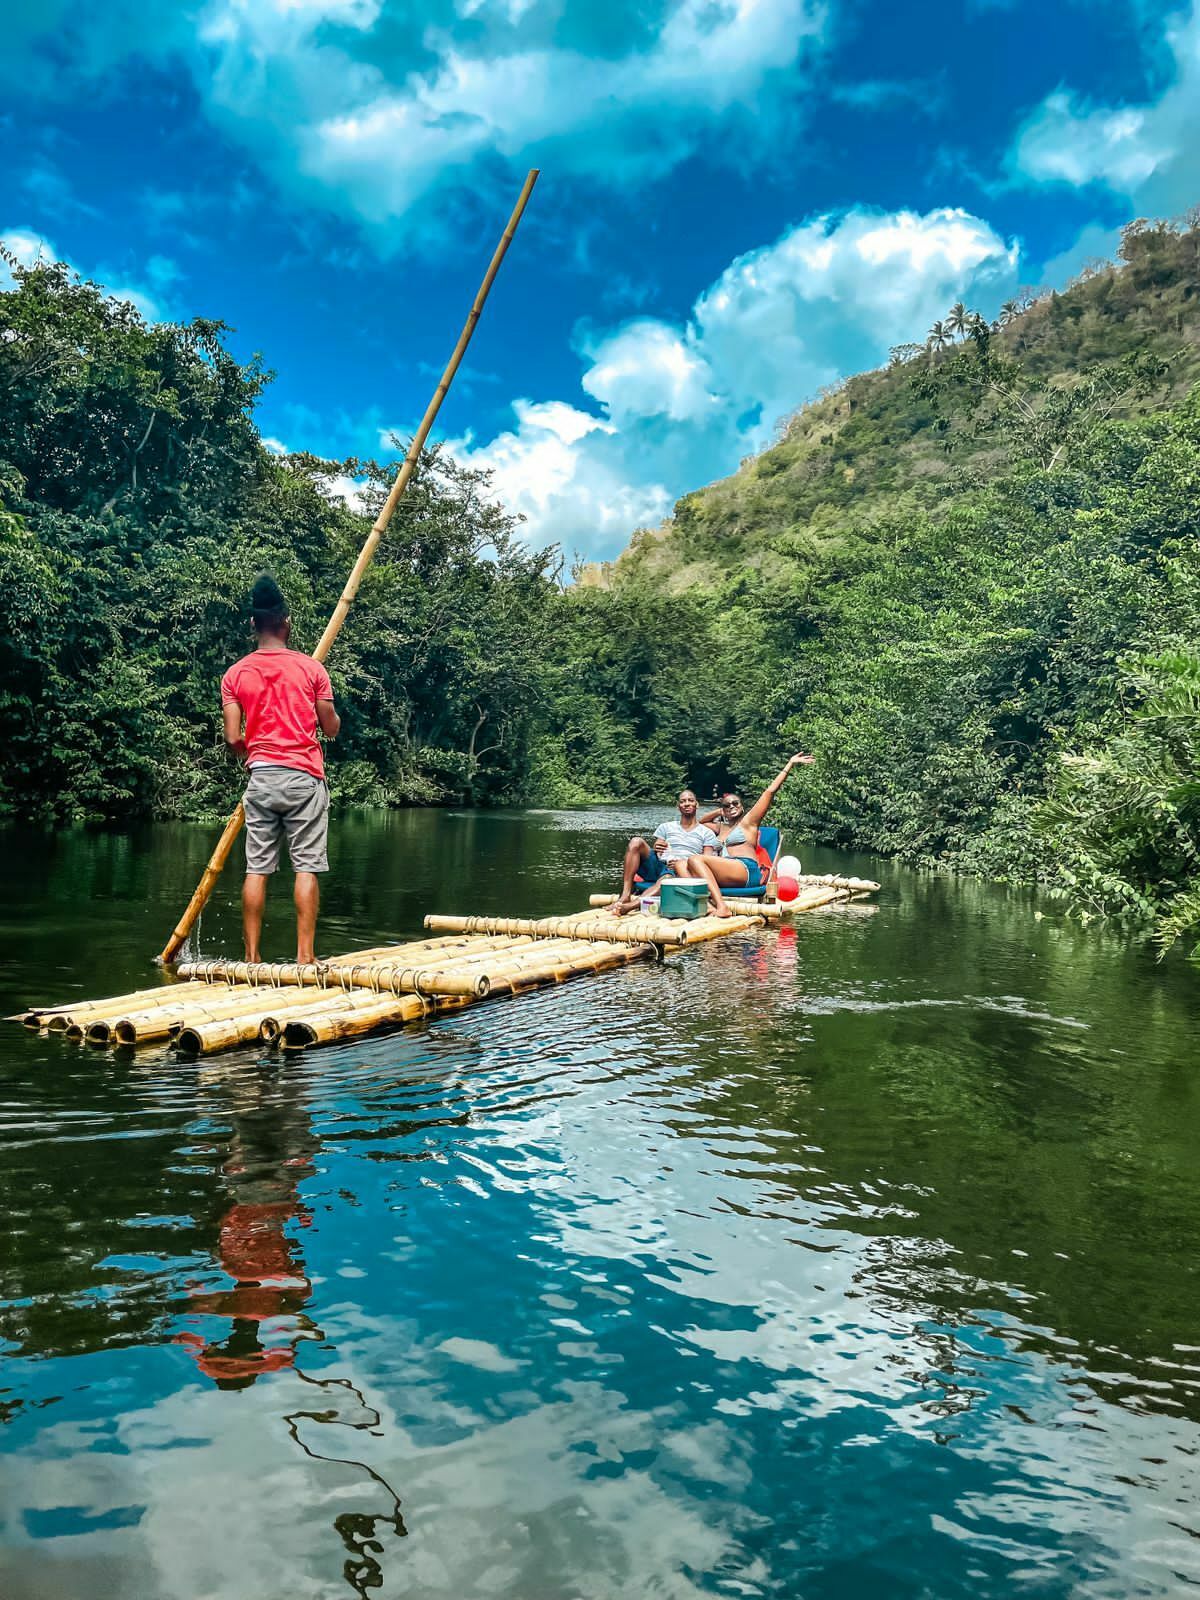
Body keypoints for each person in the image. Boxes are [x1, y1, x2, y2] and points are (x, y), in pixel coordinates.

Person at [221, 574, 341, 964]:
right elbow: (331, 727)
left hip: (262, 779)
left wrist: (249, 753)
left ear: (253, 624)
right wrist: (326, 715)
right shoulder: (311, 670)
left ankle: (252, 958)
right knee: (305, 866)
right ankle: (305, 957)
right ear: (286, 622)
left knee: (257, 868)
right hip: (304, 778)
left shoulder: (235, 675)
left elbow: (233, 738)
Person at [682, 753, 815, 917]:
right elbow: (700, 823)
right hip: (728, 872)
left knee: (695, 859)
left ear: (742, 807)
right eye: (727, 805)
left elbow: (769, 792)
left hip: (746, 869)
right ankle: (708, 906)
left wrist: (790, 764)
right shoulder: (720, 827)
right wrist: (720, 810)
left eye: (735, 803)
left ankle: (721, 907)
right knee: (682, 864)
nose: (731, 806)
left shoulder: (749, 822)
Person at [609, 789, 719, 914]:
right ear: (678, 806)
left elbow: (706, 860)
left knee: (666, 878)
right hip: (660, 863)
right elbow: (659, 847)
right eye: (683, 801)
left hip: (682, 869)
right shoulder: (666, 827)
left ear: (697, 804)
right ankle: (625, 894)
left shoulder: (706, 832)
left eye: (690, 800)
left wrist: (683, 863)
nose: (687, 804)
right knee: (636, 841)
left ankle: (631, 906)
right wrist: (657, 847)